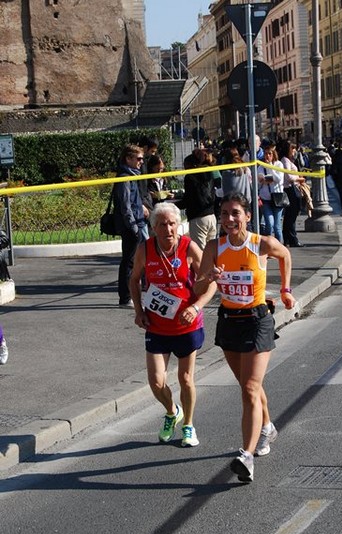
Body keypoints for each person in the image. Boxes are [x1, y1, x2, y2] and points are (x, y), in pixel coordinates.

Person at [194, 192, 295, 483]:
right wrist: (210, 276)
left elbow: (285, 254)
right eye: (224, 214)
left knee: (250, 388)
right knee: (248, 385)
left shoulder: (261, 243)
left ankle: (246, 456)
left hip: (257, 320)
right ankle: (267, 427)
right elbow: (200, 283)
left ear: (247, 216)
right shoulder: (214, 246)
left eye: (235, 213)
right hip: (229, 322)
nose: (229, 219)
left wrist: (286, 290)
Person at [130, 202, 216, 447]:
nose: (168, 229)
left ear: (179, 225)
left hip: (186, 324)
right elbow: (134, 279)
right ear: (154, 227)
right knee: (156, 382)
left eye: (172, 223)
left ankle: (188, 425)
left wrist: (195, 307)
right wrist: (138, 310)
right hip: (156, 326)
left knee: (186, 378)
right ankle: (172, 411)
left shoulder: (190, 248)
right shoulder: (145, 249)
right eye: (162, 224)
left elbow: (211, 283)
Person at [112, 144, 149, 307]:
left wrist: (141, 207)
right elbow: (125, 205)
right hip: (131, 226)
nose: (141, 162)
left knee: (136, 260)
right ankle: (126, 297)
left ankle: (134, 293)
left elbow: (133, 201)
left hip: (137, 222)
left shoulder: (132, 175)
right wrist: (134, 228)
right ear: (128, 159)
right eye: (139, 158)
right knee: (129, 261)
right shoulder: (125, 177)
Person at [177, 149, 217, 250]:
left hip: (198, 217)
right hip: (211, 215)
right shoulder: (208, 173)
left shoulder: (190, 177)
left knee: (199, 251)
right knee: (212, 249)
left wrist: (173, 205)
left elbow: (188, 199)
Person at [278, 140, 306, 246]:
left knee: (291, 214)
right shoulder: (285, 160)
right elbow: (288, 176)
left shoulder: (290, 160)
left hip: (292, 187)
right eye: (292, 148)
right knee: (292, 214)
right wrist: (298, 178)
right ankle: (292, 237)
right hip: (290, 189)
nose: (294, 151)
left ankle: (289, 238)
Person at [257, 144, 285, 242]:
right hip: (265, 199)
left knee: (277, 226)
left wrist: (271, 168)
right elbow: (259, 181)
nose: (267, 156)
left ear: (273, 154)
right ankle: (267, 246)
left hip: (277, 198)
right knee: (269, 223)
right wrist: (266, 180)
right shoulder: (261, 167)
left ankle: (279, 247)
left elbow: (278, 179)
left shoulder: (279, 165)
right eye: (265, 154)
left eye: (270, 154)